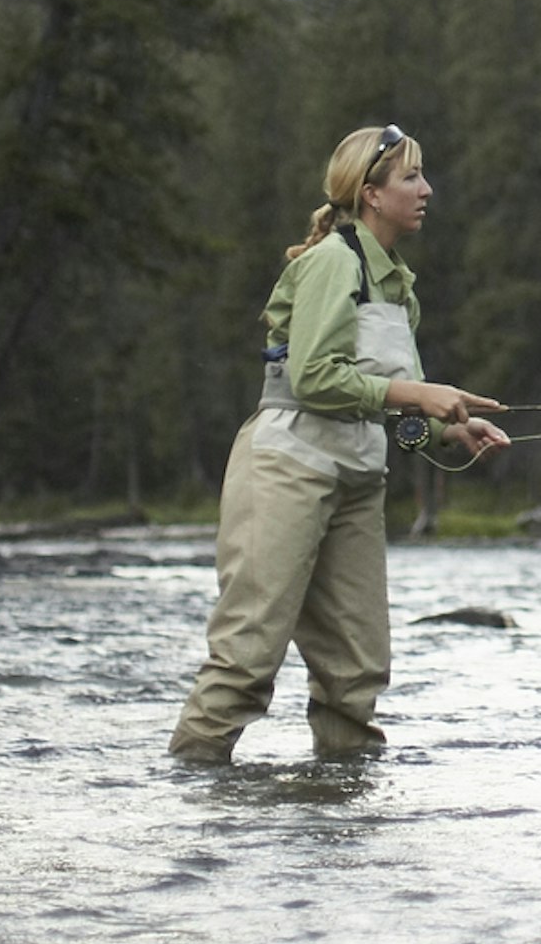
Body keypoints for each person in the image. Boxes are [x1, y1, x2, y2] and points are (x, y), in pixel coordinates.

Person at [171, 125, 508, 762]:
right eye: (411, 177)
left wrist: (448, 427)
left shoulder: (396, 285)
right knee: (248, 655)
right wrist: (420, 395)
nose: (426, 190)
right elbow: (315, 376)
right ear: (372, 195)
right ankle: (195, 810)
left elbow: (382, 395)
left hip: (356, 475)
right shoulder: (332, 261)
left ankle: (343, 815)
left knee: (357, 668)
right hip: (286, 466)